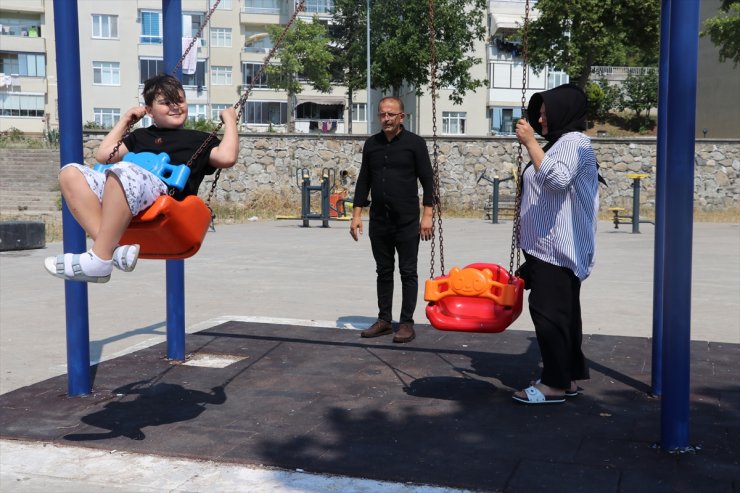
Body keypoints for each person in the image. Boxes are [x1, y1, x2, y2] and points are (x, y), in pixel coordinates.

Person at [44, 74, 239, 283]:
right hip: (123, 186)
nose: (175, 107)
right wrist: (125, 121)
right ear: (149, 111)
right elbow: (104, 155)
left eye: (180, 100)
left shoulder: (199, 139)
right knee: (70, 173)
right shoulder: (140, 136)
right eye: (166, 103)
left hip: (163, 196)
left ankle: (99, 258)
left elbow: (227, 157)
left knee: (122, 170)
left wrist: (229, 121)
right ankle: (112, 251)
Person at [511, 83, 599, 404]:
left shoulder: (575, 143)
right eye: (540, 114)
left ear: (565, 113)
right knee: (563, 316)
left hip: (559, 250)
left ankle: (554, 385)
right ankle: (568, 378)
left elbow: (557, 179)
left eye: (546, 114)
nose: (541, 119)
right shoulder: (561, 144)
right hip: (547, 248)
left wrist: (531, 142)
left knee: (548, 315)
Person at [349, 96, 435, 343]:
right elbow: (364, 180)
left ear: (401, 117)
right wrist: (356, 215)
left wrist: (427, 215)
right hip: (379, 220)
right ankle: (385, 320)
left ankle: (406, 322)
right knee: (383, 271)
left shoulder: (415, 144)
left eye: (390, 114)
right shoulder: (372, 144)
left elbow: (428, 180)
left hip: (407, 221)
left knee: (408, 271)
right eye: (382, 114)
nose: (386, 119)